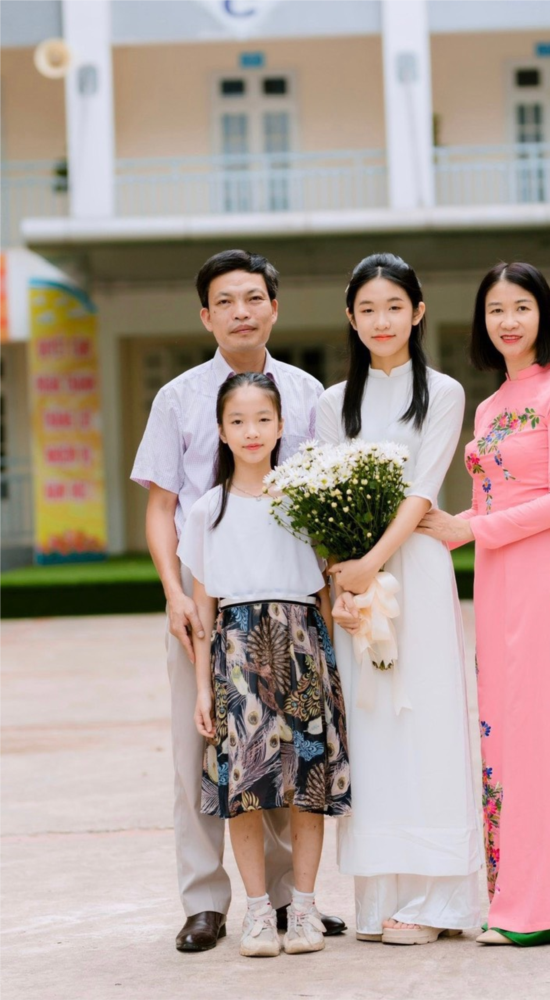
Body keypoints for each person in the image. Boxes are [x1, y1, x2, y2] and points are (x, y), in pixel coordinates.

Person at [131, 249, 346, 951]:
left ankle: (284, 899)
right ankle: (204, 901)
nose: (240, 312)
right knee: (200, 751)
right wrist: (174, 593)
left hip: (292, 603)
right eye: (224, 301)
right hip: (208, 603)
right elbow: (162, 506)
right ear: (205, 315)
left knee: (287, 751)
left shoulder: (307, 394)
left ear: (274, 308)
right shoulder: (178, 398)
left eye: (253, 298)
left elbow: (326, 502)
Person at [418, 261, 550, 945]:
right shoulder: (491, 406)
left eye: (521, 307)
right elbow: (483, 502)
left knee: (543, 732)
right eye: (495, 309)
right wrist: (437, 529)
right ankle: (512, 899)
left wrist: (470, 530)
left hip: (543, 575)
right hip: (496, 578)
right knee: (500, 732)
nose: (508, 321)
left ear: (543, 316)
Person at [317, 253, 483, 946]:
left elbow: (421, 491)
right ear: (350, 319)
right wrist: (341, 574)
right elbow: (323, 493)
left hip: (414, 570)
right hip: (356, 586)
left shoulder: (442, 392)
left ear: (417, 312)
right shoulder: (333, 403)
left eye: (393, 306)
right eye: (367, 309)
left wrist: (370, 563)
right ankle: (379, 897)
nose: (380, 320)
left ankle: (434, 902)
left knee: (426, 719)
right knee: (372, 727)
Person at [177, 372, 351, 957]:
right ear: (221, 431)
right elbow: (203, 610)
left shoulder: (306, 501)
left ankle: (302, 908)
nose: (251, 431)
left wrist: (335, 673)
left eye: (262, 420)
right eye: (237, 421)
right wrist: (203, 689)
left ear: (281, 427)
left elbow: (325, 594)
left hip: (302, 649)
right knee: (244, 789)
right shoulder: (207, 511)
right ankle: (256, 912)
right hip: (235, 653)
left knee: (307, 786)